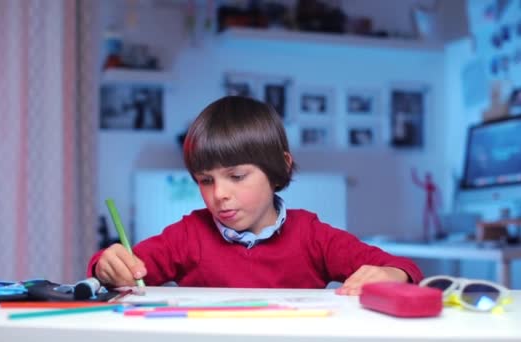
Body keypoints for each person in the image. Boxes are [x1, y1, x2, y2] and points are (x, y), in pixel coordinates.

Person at [87, 96, 423, 295]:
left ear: (279, 168)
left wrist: (393, 275)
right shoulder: (189, 235)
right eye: (205, 180)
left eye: (236, 176)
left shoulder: (312, 236)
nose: (219, 194)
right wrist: (108, 266)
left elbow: (403, 268)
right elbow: (122, 269)